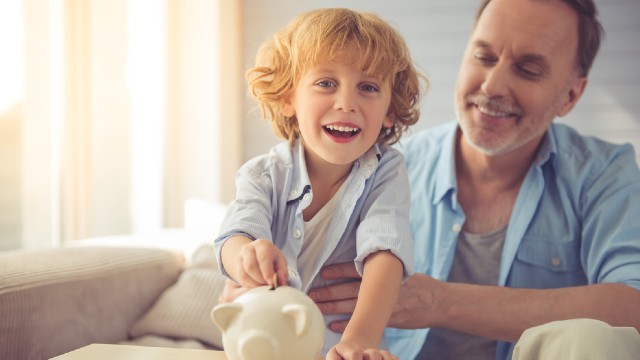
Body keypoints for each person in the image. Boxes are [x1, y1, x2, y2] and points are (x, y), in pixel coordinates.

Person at [297, 0, 640, 359]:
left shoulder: (603, 174)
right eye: (484, 58)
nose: (492, 86)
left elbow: (633, 307)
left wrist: (438, 301)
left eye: (527, 69)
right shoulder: (381, 171)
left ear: (571, 95)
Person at [214, 8, 425, 359]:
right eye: (326, 83)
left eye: (368, 87)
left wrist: (359, 342)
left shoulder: (386, 171)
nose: (346, 103)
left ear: (390, 108)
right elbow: (235, 235)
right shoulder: (262, 174)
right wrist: (246, 257)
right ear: (288, 98)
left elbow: (386, 253)